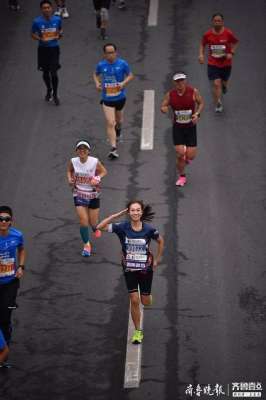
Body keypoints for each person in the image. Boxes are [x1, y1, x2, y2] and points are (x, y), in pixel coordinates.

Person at [97, 200, 164, 344]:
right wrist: (115, 215)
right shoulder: (122, 227)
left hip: (146, 268)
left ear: (142, 212)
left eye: (138, 210)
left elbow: (160, 241)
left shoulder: (149, 229)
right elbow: (99, 227)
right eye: (132, 210)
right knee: (134, 299)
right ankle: (138, 331)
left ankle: (147, 297)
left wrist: (157, 259)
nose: (135, 212)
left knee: (145, 301)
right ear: (128, 212)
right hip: (129, 268)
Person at [161, 72, 204, 187]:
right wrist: (164, 108)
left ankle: (186, 158)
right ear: (174, 83)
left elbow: (201, 103)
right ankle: (182, 176)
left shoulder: (193, 92)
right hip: (178, 127)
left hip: (190, 127)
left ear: (185, 81)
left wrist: (197, 114)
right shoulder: (170, 94)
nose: (180, 83)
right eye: (177, 81)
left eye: (182, 80)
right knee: (180, 154)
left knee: (191, 156)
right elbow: (163, 105)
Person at [67, 140, 107, 257]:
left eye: (85, 149)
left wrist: (98, 178)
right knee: (83, 221)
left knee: (93, 223)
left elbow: (104, 171)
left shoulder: (94, 161)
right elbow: (69, 171)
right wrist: (69, 179)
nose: (82, 151)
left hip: (93, 195)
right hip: (79, 194)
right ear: (76, 151)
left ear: (88, 151)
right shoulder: (73, 161)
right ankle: (86, 244)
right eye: (80, 149)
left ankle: (95, 228)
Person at [93, 43, 134, 160]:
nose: (110, 55)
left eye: (112, 52)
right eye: (108, 53)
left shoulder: (122, 64)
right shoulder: (101, 65)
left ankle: (119, 131)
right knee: (111, 122)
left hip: (120, 98)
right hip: (107, 99)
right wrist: (97, 83)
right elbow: (95, 75)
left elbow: (131, 75)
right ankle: (113, 148)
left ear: (116, 53)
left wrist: (123, 83)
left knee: (119, 121)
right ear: (104, 54)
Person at [0, 206, 25, 367]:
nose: (3, 222)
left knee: (4, 318)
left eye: (6, 219)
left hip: (10, 283)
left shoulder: (17, 235)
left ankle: (4, 348)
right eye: (0, 219)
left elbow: (22, 249)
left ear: (11, 221)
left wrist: (21, 266)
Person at [199, 13, 239, 113]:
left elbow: (236, 42)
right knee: (216, 84)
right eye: (215, 21)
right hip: (213, 63)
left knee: (223, 82)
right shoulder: (207, 34)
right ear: (212, 22)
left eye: (219, 21)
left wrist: (232, 52)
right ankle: (218, 103)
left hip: (226, 64)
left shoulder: (228, 33)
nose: (217, 22)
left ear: (222, 22)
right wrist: (201, 55)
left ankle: (224, 85)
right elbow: (202, 44)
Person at [31, 0, 63, 106]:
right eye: (44, 8)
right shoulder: (36, 21)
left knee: (53, 73)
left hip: (54, 49)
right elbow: (32, 34)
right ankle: (49, 89)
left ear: (51, 8)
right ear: (41, 9)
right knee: (45, 73)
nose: (46, 9)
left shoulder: (57, 19)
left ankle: (55, 94)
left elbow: (60, 30)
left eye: (48, 7)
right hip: (43, 50)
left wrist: (59, 35)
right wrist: (40, 38)